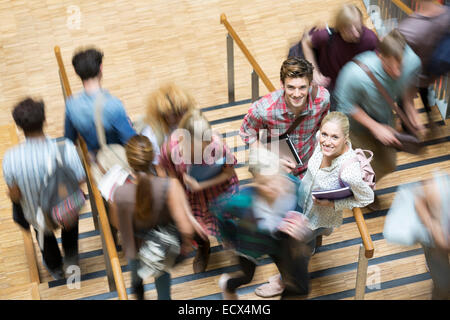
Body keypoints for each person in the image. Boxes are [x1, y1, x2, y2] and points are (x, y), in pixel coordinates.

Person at [255, 111, 374, 298]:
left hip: (316, 217)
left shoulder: (349, 172)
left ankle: (283, 281)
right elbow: (320, 144)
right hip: (303, 200)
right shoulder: (321, 141)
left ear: (346, 138)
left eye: (335, 137)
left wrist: (333, 204)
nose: (326, 141)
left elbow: (367, 197)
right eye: (325, 134)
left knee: (296, 252)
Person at [110, 135, 208, 300]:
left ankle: (139, 294)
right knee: (162, 280)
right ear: (151, 158)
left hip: (134, 246)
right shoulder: (170, 186)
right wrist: (185, 244)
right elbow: (185, 227)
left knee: (136, 277)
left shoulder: (119, 192)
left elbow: (117, 223)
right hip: (162, 246)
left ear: (129, 160)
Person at [335, 29, 424, 208]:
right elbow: (346, 106)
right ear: (380, 56)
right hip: (356, 128)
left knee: (389, 163)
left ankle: (359, 183)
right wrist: (375, 127)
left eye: (401, 66)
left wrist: (411, 112)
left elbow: (407, 87)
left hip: (386, 122)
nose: (397, 72)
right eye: (391, 67)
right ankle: (358, 190)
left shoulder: (414, 62)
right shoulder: (355, 74)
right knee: (364, 166)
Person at [2, 98, 85, 280]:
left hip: (36, 214)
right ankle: (73, 267)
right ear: (45, 119)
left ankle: (56, 270)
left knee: (45, 240)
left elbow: (15, 196)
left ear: (19, 127)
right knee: (70, 234)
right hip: (66, 210)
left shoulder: (10, 159)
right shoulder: (66, 149)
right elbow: (79, 181)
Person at [215, 147, 311, 300]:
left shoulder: (295, 188)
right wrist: (228, 239)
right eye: (263, 184)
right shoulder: (244, 199)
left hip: (280, 241)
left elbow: (303, 208)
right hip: (252, 242)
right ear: (255, 182)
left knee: (298, 286)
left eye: (273, 179)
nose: (270, 188)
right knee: (247, 277)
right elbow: (220, 211)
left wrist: (301, 223)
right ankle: (227, 285)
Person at [159, 109, 239, 273]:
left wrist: (200, 185)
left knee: (226, 223)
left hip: (219, 191)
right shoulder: (169, 149)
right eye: (196, 150)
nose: (202, 153)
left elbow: (229, 172)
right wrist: (184, 210)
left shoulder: (217, 146)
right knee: (195, 228)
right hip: (190, 196)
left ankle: (228, 240)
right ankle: (203, 247)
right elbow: (171, 176)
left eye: (205, 147)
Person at [240, 57, 330, 178]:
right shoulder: (264, 109)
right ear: (282, 84)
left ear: (310, 84)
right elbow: (246, 133)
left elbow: (323, 127)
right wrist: (271, 160)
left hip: (309, 168)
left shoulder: (322, 99)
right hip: (274, 171)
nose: (297, 94)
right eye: (291, 87)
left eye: (302, 87)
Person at [384, 171, 449, 300]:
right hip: (435, 240)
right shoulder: (440, 189)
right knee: (443, 284)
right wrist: (433, 227)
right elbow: (418, 196)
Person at [64, 47, 136, 152]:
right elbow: (130, 141)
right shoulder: (113, 105)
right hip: (116, 158)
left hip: (95, 159)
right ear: (101, 68)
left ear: (76, 72)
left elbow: (70, 139)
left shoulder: (71, 105)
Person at [301, 4, 378, 96]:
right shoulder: (325, 36)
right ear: (340, 28)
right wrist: (314, 72)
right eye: (350, 30)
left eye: (359, 28)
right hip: (330, 89)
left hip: (355, 90)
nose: (357, 34)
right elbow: (305, 42)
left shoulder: (370, 39)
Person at [398, 0, 450, 127]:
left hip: (413, 77)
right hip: (430, 75)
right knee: (425, 94)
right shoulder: (447, 14)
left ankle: (408, 128)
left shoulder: (408, 28)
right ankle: (429, 116)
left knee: (403, 103)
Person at [138, 83, 197, 175]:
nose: (181, 117)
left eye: (183, 110)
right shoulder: (152, 136)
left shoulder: (188, 120)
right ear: (163, 115)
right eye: (175, 114)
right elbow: (160, 170)